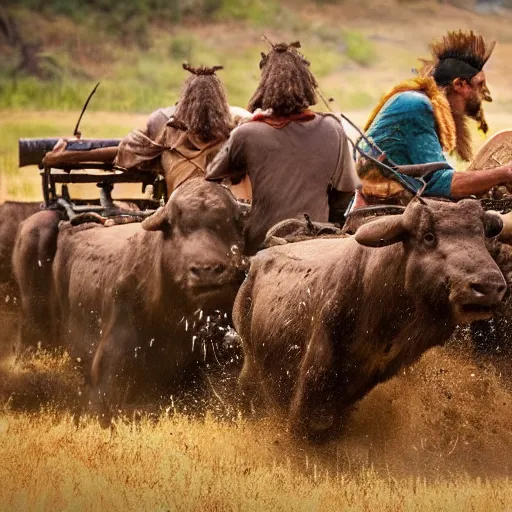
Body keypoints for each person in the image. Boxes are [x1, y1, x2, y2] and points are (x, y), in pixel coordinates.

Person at [205, 41, 361, 254]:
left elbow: (212, 180)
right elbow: (344, 195)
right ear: (307, 83)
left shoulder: (246, 133)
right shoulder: (333, 128)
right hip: (319, 245)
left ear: (264, 87)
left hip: (261, 247)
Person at [356, 30, 512, 205]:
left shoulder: (419, 103)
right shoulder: (417, 105)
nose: (482, 93)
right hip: (387, 208)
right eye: (479, 84)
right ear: (459, 84)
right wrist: (504, 173)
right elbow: (438, 183)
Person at [115, 64, 251, 199]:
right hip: (224, 198)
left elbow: (135, 149)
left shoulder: (161, 119)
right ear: (220, 97)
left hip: (177, 198)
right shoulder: (237, 123)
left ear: (186, 95)